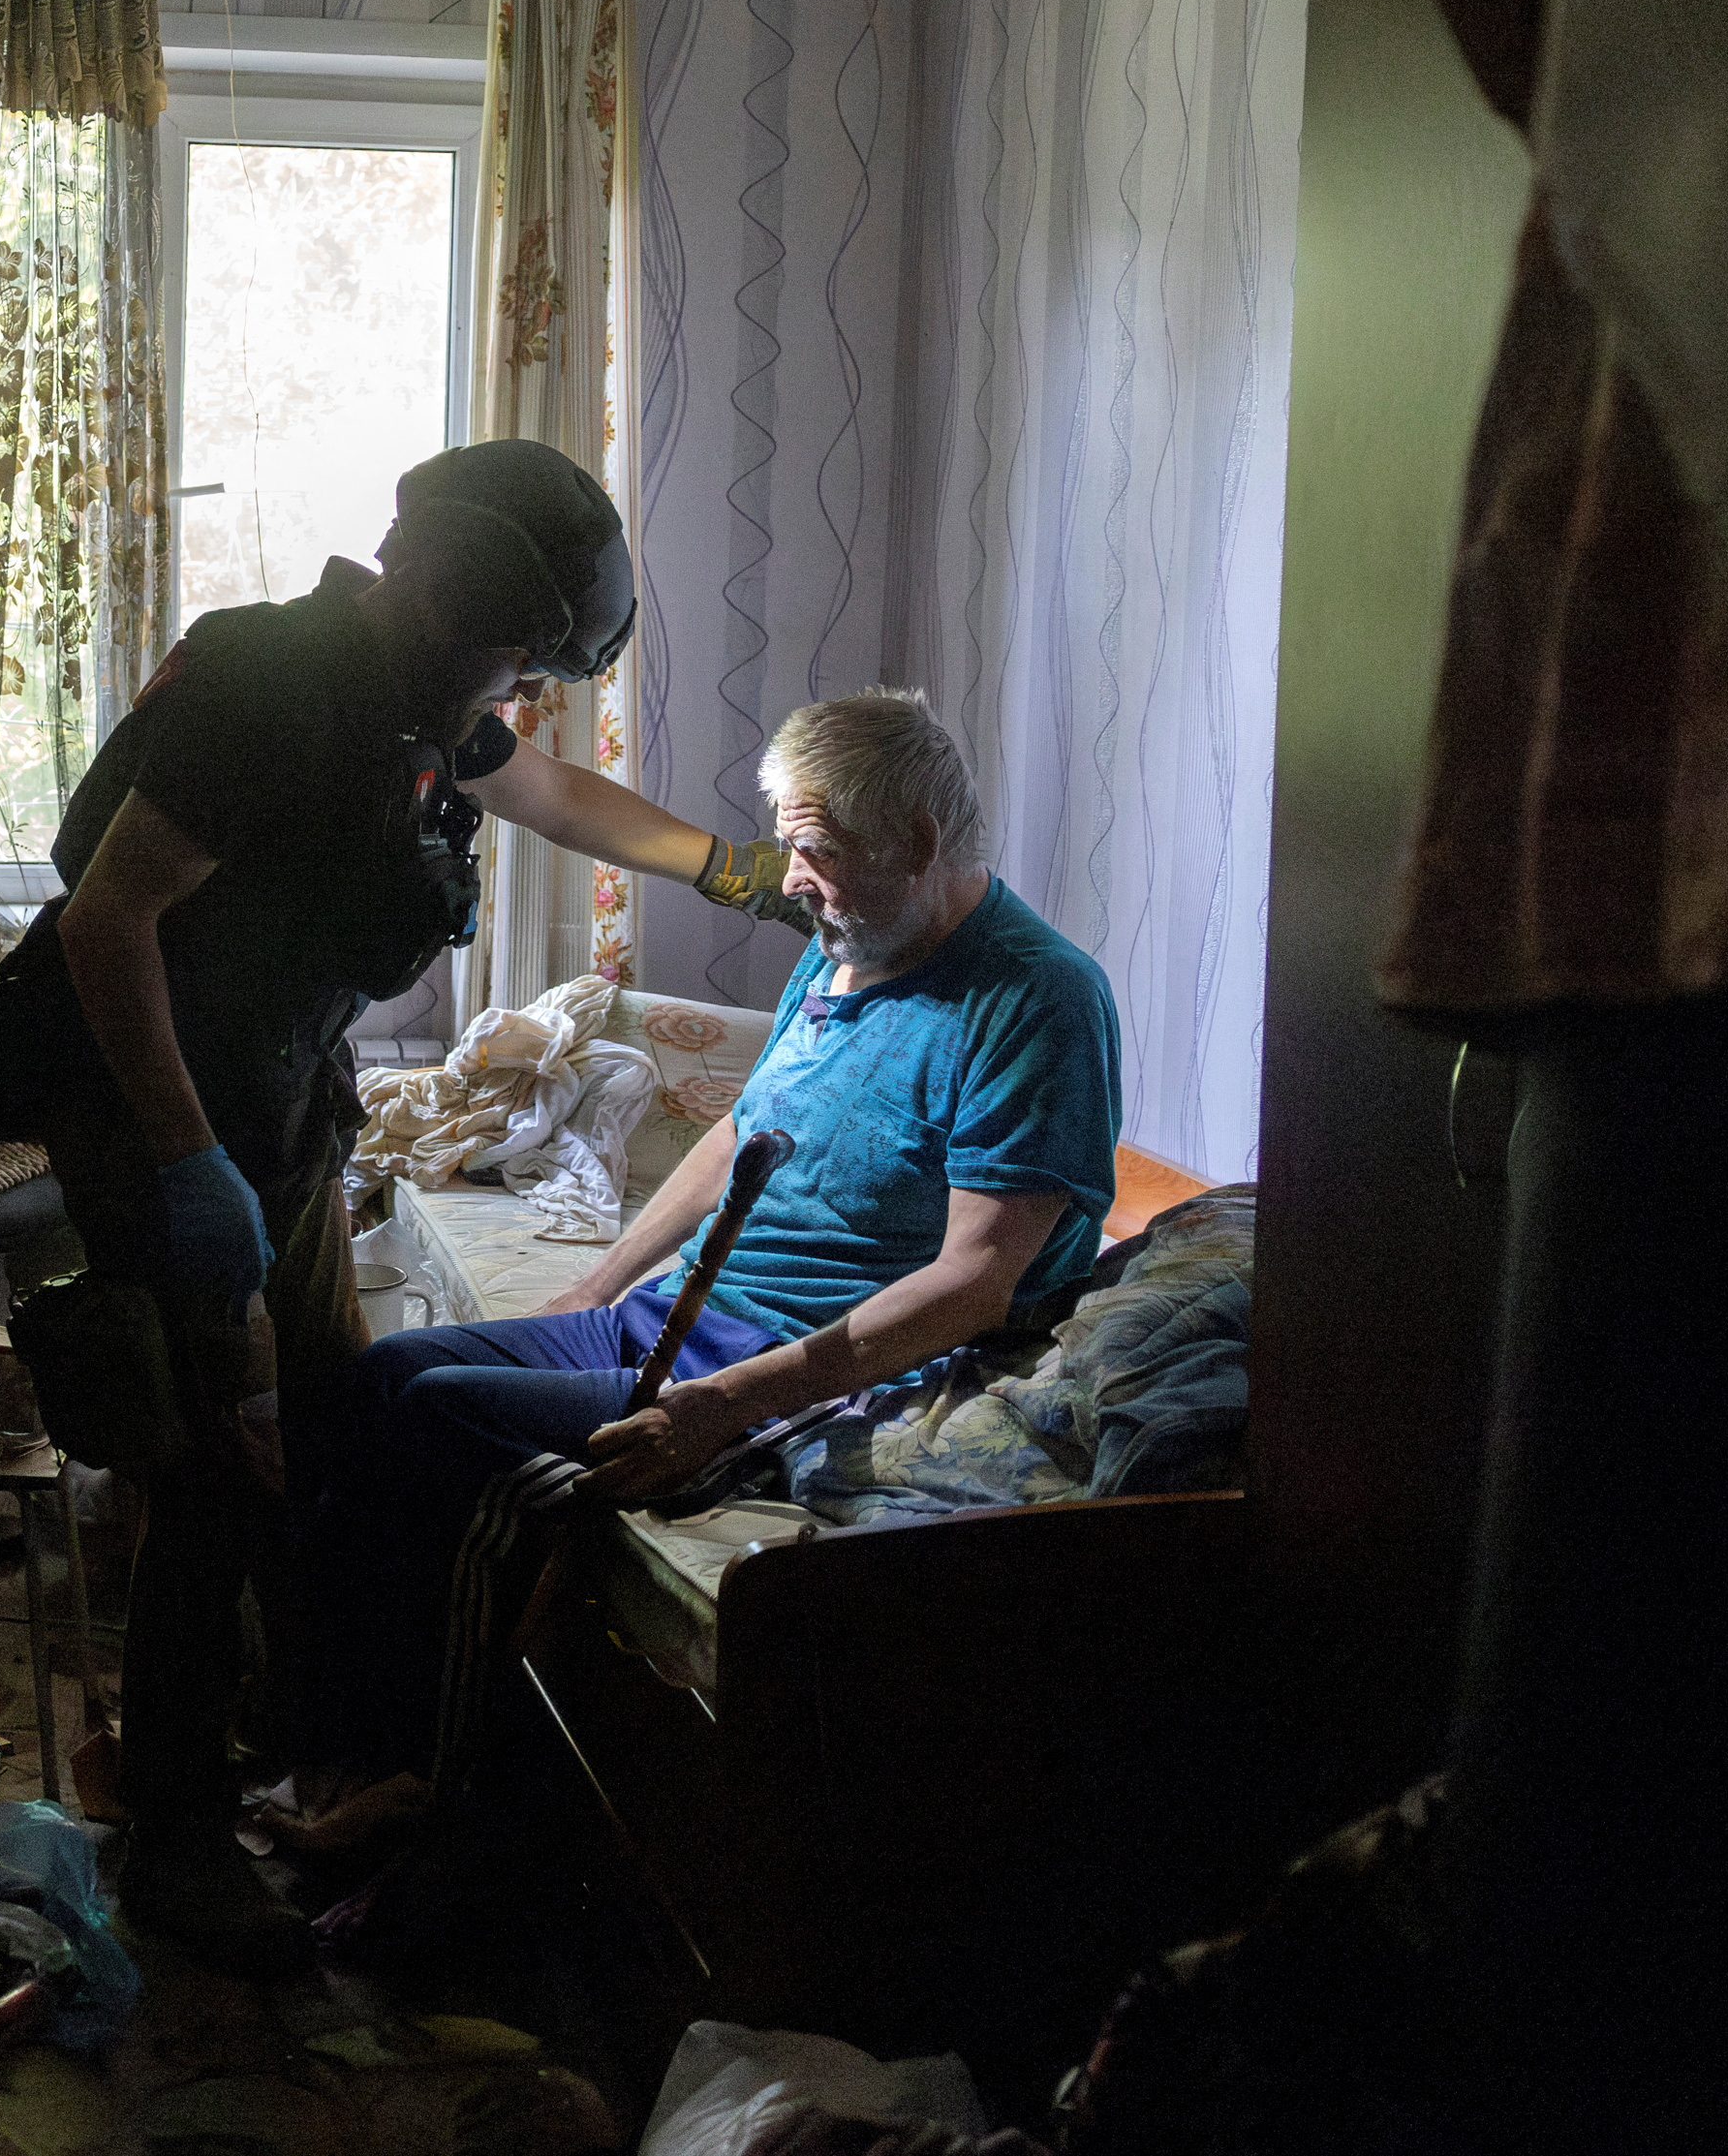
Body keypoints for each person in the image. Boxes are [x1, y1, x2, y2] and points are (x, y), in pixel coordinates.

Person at [0, 438, 802, 1968]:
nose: (523, 693)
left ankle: (298, 1742)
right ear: (439, 603)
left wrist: (728, 868)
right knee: (218, 1455)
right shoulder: (267, 684)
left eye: (542, 665)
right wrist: (186, 1158)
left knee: (327, 1421)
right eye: (516, 656)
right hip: (156, 1104)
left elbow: (555, 795)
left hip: (271, 1108)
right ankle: (175, 1840)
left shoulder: (427, 706)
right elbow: (106, 919)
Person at [300, 687, 1125, 1818]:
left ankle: (427, 1786)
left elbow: (976, 1281)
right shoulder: (844, 942)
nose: (788, 877)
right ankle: (344, 1738)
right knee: (381, 1377)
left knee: (438, 1415)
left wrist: (727, 1404)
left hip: (803, 1369)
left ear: (921, 841)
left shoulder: (1038, 999)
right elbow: (743, 1129)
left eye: (812, 849)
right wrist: (594, 1286)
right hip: (683, 1316)